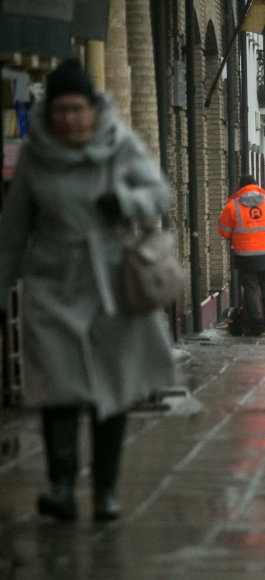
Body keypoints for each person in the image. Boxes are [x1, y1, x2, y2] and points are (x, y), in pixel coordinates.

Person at [0, 58, 177, 521]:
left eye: (77, 109)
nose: (69, 119)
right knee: (58, 387)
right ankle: (61, 487)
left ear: (93, 109)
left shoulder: (118, 145)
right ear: (49, 112)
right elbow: (13, 231)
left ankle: (104, 490)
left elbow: (160, 194)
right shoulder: (36, 156)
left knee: (110, 386)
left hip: (111, 284)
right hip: (51, 285)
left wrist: (124, 200)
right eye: (60, 110)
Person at [218, 175, 265, 336]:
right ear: (256, 186)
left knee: (251, 289)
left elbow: (223, 230)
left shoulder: (233, 206)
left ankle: (257, 326)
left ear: (241, 188)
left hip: (244, 255)